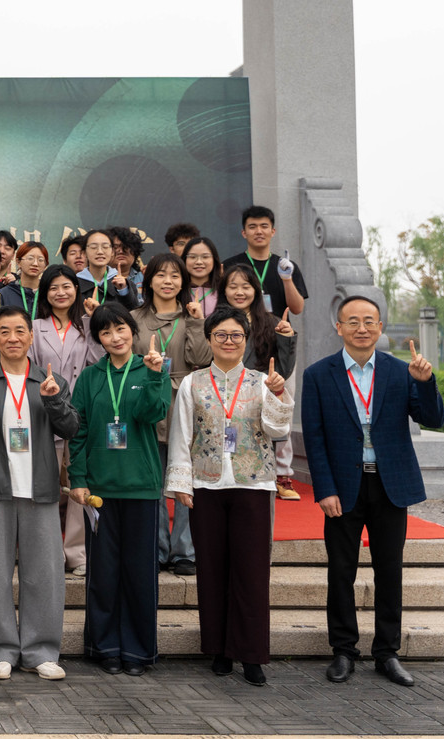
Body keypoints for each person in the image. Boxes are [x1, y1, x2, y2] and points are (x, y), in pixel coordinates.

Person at [302, 296, 443, 688]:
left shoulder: (401, 371)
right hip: (343, 488)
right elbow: (314, 438)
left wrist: (425, 383)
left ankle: (387, 653)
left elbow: (432, 418)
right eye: (352, 321)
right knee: (340, 571)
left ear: (380, 327)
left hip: (389, 484)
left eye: (369, 321)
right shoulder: (318, 375)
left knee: (390, 571)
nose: (361, 328)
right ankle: (343, 650)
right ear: (339, 327)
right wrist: (324, 488)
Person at [165, 306, 293, 687]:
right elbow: (181, 435)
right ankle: (219, 649)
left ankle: (251, 654)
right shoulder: (192, 383)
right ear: (209, 339)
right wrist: (182, 483)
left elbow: (277, 431)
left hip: (252, 484)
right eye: (220, 334)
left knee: (251, 573)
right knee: (211, 569)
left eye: (236, 335)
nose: (228, 341)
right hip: (206, 484)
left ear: (246, 339)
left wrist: (278, 394)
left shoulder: (262, 381)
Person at [0, 306, 79, 681]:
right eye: (4, 331)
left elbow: (71, 428)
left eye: (19, 331)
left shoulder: (50, 379)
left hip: (40, 489)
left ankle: (40, 650)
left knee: (44, 574)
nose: (12, 338)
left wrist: (54, 400)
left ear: (31, 337)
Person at [67, 303, 170, 676]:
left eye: (121, 328)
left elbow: (152, 414)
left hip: (141, 487)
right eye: (106, 332)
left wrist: (155, 376)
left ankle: (138, 651)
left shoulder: (151, 368)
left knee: (140, 574)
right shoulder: (90, 377)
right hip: (100, 491)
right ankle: (105, 646)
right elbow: (78, 431)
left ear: (132, 330)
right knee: (104, 572)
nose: (115, 337)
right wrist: (78, 478)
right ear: (98, 338)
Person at [132, 253, 211, 575]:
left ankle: (184, 551)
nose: (168, 281)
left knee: (183, 476)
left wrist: (197, 322)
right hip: (147, 398)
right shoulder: (133, 318)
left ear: (183, 282)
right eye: (161, 275)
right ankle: (156, 547)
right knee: (152, 478)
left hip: (184, 401)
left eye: (175, 276)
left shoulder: (192, 315)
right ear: (148, 280)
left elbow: (202, 358)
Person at [28, 265, 104, 577]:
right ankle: (49, 553)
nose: (61, 293)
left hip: (80, 414)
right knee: (44, 485)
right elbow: (28, 369)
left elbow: (100, 363)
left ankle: (77, 553)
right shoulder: (34, 327)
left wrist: (95, 322)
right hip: (43, 413)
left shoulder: (86, 326)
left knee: (78, 485)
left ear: (76, 290)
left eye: (67, 286)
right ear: (45, 293)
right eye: (53, 287)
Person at [221, 264, 301, 500]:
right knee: (225, 469)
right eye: (233, 286)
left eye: (246, 286)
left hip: (257, 408)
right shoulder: (215, 323)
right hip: (224, 408)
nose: (239, 292)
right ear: (224, 290)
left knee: (260, 480)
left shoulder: (271, 322)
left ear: (256, 290)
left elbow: (284, 370)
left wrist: (286, 338)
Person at [224, 205, 307, 318]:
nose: (259, 231)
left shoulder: (286, 267)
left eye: (264, 226)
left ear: (273, 231)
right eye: (252, 227)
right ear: (244, 233)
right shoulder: (229, 266)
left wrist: (287, 279)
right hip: (240, 327)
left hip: (278, 328)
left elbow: (297, 309)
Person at [76, 229, 138, 311]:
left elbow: (133, 312)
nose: (100, 252)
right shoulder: (75, 283)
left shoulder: (124, 284)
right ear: (84, 253)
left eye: (105, 247)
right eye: (93, 247)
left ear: (112, 252)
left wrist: (123, 291)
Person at [0, 241, 49, 317]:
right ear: (18, 262)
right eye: (30, 258)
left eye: (40, 260)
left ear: (45, 265)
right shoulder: (4, 294)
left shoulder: (49, 294)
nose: (35, 264)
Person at [181, 237, 223, 317]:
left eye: (205, 257)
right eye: (192, 257)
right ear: (184, 260)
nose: (199, 262)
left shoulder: (224, 289)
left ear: (214, 260)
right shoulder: (177, 290)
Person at [108, 226, 146, 307]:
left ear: (135, 252)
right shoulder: (99, 279)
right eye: (115, 247)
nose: (121, 251)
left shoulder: (144, 277)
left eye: (125, 247)